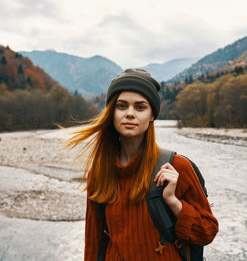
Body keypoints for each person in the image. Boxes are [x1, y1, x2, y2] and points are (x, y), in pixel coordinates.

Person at [67, 68, 218, 260]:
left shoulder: (177, 167)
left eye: (140, 107)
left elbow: (207, 232)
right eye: (121, 106)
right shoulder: (99, 173)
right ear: (111, 112)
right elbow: (93, 242)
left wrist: (173, 201)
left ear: (152, 115)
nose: (130, 114)